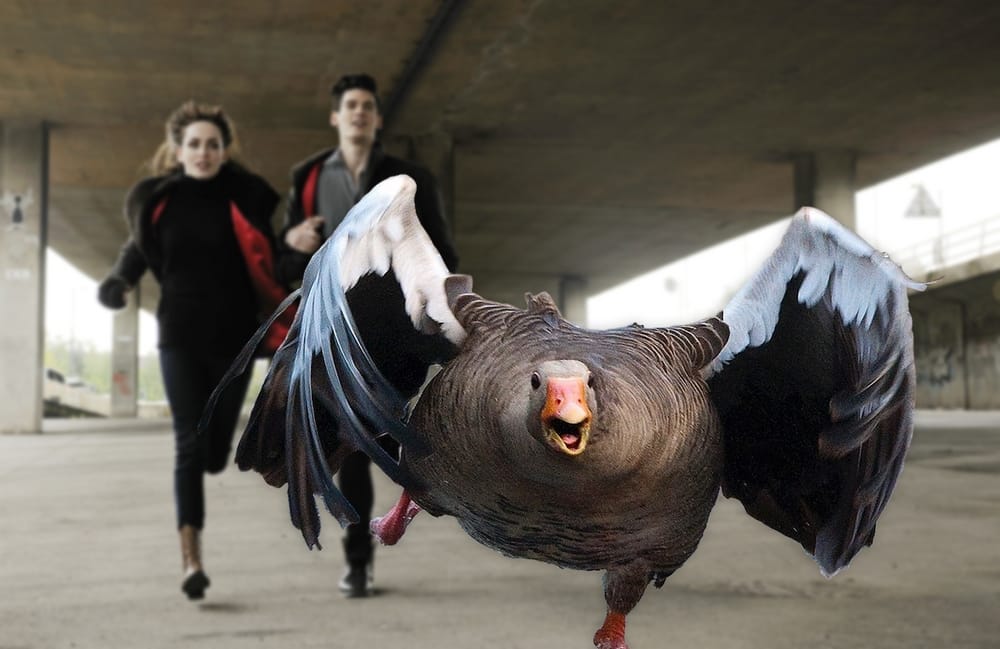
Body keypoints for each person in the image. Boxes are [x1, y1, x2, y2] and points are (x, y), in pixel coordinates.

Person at [97, 101, 288, 601]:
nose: (203, 152)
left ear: (224, 151)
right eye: (195, 144)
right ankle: (191, 559)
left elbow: (273, 256)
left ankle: (214, 453)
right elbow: (136, 250)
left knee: (215, 450)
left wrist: (301, 242)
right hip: (179, 335)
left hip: (235, 342)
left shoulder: (243, 199)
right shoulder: (160, 202)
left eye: (213, 144)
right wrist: (119, 281)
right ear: (178, 151)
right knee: (187, 445)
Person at [279, 73, 459, 597]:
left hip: (397, 333)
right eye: (349, 106)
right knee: (354, 441)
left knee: (397, 431)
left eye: (367, 107)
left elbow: (442, 252)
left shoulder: (409, 176)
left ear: (377, 119)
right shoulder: (308, 177)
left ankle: (410, 512)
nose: (358, 113)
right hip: (338, 333)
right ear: (335, 116)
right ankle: (359, 558)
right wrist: (291, 241)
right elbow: (291, 264)